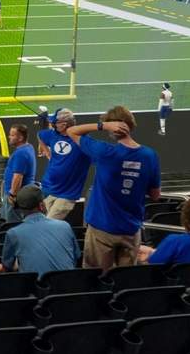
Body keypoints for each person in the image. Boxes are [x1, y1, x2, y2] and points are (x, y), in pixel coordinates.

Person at [62, 107, 162, 270]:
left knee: (97, 279)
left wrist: (101, 126)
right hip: (130, 230)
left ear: (113, 127)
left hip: (102, 229)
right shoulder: (150, 156)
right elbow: (155, 195)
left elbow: (72, 131)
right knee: (124, 282)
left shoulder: (105, 152)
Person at [0, 185, 79, 275]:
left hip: (36, 287)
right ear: (41, 205)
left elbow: (7, 268)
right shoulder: (65, 226)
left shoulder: (13, 233)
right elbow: (75, 257)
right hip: (70, 285)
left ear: (20, 210)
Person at [35, 108, 88, 220]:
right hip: (49, 189)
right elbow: (40, 135)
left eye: (55, 122)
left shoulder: (82, 141)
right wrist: (48, 154)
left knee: (49, 224)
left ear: (64, 125)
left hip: (67, 194)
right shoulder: (52, 135)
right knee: (41, 221)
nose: (53, 124)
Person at [140, 195, 190, 265]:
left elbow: (153, 263)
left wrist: (150, 253)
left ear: (184, 218)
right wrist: (152, 251)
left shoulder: (175, 241)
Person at [1, 124, 38, 223]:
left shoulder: (21, 153)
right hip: (19, 195)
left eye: (12, 135)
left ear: (20, 138)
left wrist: (12, 195)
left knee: (12, 224)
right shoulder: (28, 147)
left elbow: (18, 176)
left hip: (15, 197)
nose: (9, 137)